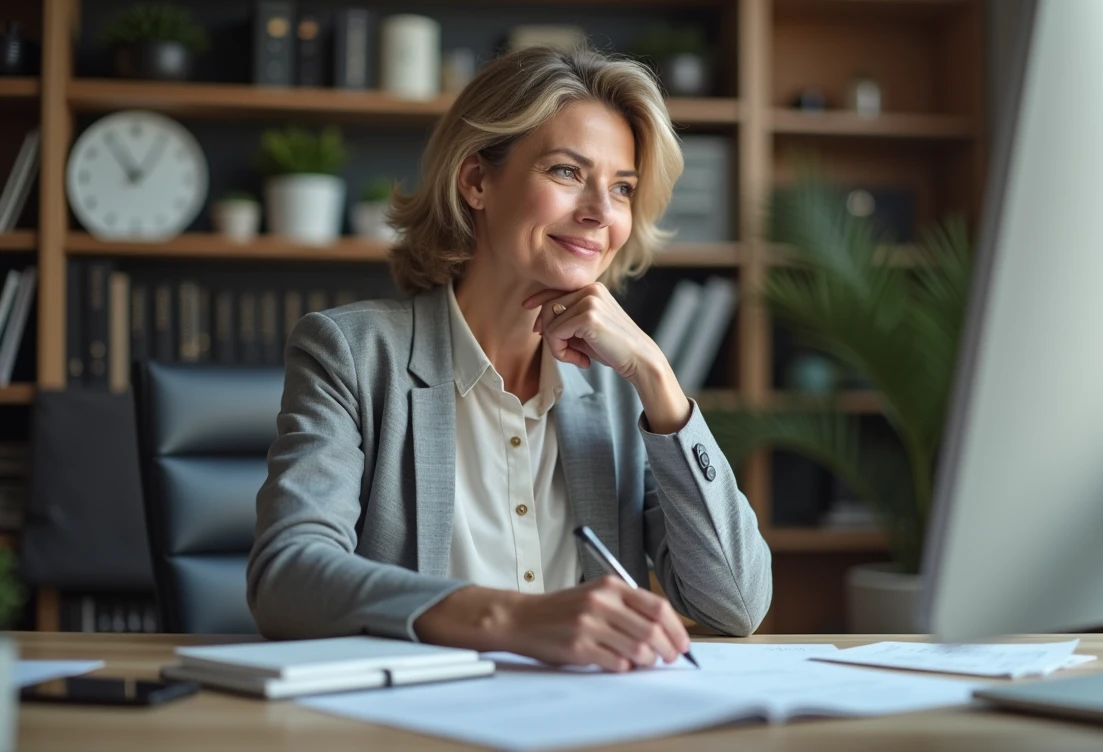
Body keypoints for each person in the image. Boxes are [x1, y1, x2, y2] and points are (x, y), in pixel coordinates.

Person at [247, 45, 772, 673]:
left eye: (623, 187)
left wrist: (660, 383)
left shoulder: (621, 386)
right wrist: (508, 620)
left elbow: (737, 604)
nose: (601, 213)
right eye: (566, 172)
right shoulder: (354, 355)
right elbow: (287, 576)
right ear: (476, 181)